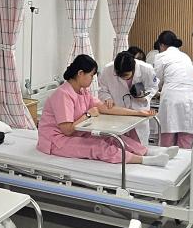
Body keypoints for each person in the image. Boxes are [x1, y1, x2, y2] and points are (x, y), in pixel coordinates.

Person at [37, 54, 172, 167]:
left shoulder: (82, 92)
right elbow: (67, 130)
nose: (92, 79)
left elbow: (106, 108)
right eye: (91, 75)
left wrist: (138, 113)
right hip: (57, 141)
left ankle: (149, 152)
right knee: (98, 146)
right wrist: (87, 115)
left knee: (110, 138)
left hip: (77, 134)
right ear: (80, 73)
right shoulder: (63, 94)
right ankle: (144, 160)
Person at [97, 51, 159, 145]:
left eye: (125, 75)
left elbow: (153, 87)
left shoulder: (146, 69)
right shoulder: (107, 70)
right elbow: (102, 89)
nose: (122, 78)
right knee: (119, 144)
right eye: (119, 75)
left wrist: (145, 97)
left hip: (139, 111)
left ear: (133, 68)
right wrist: (107, 98)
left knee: (139, 145)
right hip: (118, 112)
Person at [153, 31, 193, 149]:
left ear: (161, 45)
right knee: (186, 131)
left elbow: (157, 80)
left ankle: (167, 156)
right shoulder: (185, 56)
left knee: (168, 131)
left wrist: (155, 92)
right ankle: (184, 159)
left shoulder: (161, 57)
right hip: (190, 97)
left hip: (172, 97)